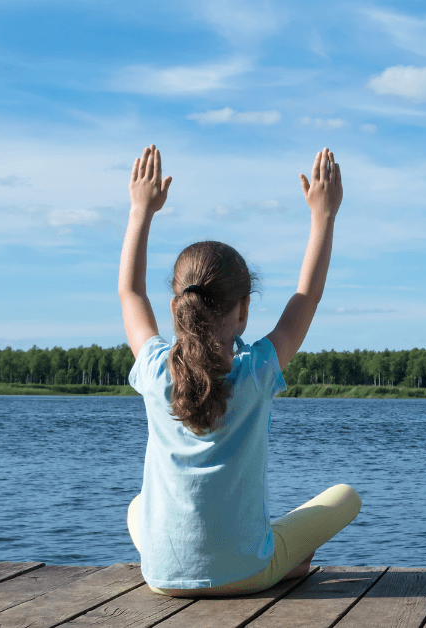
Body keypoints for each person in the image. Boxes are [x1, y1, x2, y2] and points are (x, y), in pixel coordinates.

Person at [119, 145, 360, 596]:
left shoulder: (154, 371)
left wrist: (140, 209)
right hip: (246, 574)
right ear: (244, 310)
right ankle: (284, 559)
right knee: (346, 496)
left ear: (175, 308)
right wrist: (323, 215)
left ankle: (262, 555)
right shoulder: (258, 370)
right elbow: (307, 296)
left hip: (162, 577)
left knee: (138, 506)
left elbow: (131, 293)